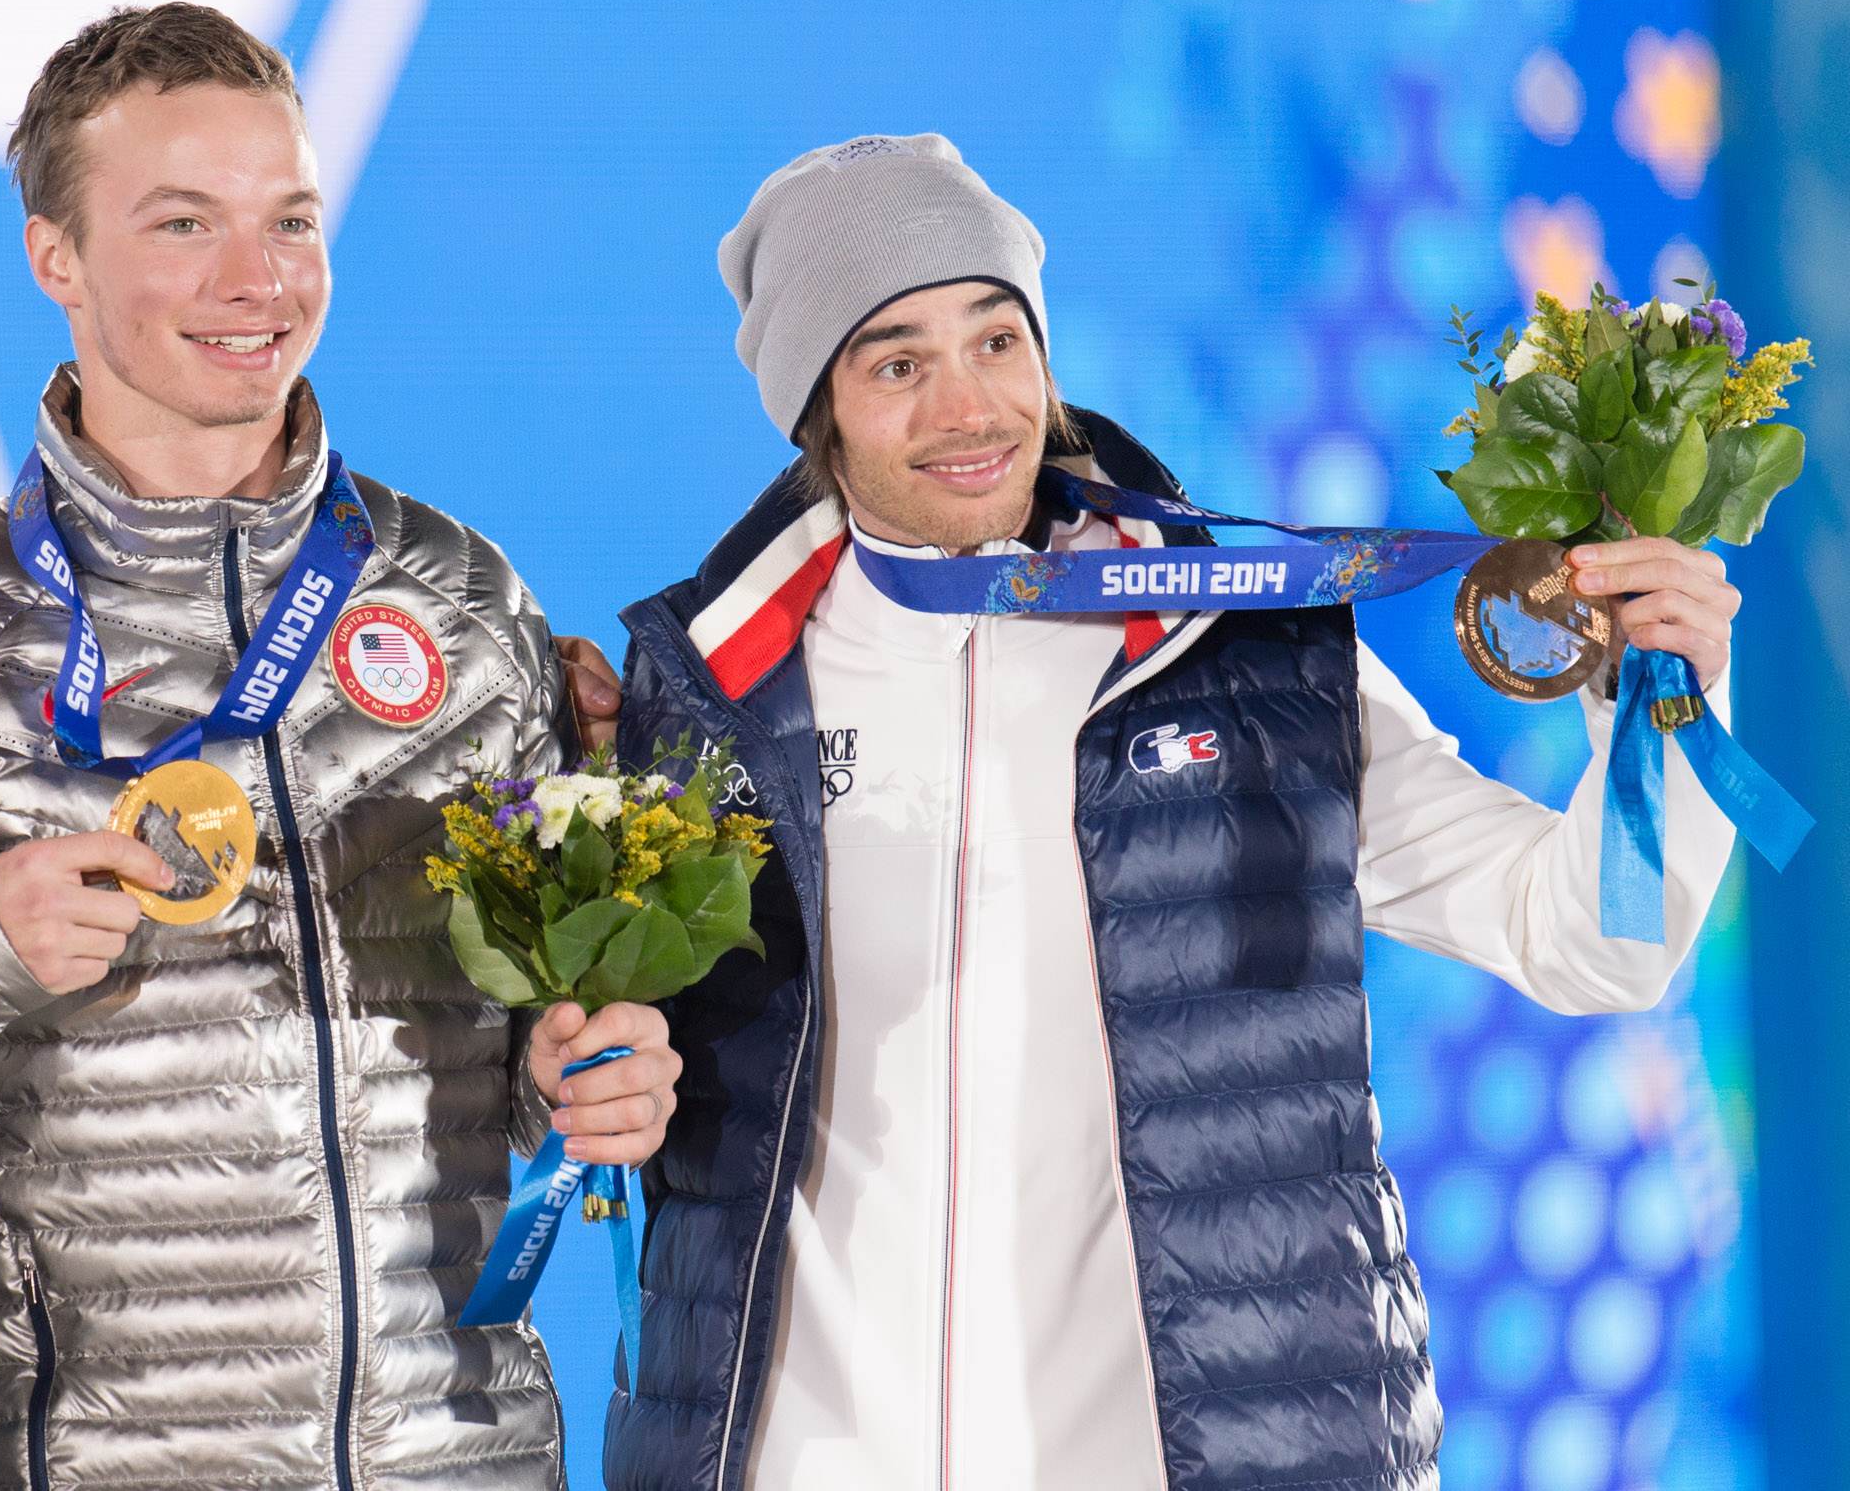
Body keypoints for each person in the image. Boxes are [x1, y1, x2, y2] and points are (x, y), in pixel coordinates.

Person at [602, 135, 1742, 1491]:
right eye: (898, 364)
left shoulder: (1242, 647)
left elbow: (1596, 942)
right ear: (817, 413)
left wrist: (1656, 720)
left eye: (999, 343)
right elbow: (612, 1069)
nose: (971, 408)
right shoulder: (711, 687)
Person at [0, 3, 661, 1491]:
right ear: (55, 256)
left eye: (289, 221)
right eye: (183, 224)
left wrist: (590, 1074)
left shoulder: (461, 602)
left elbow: (514, 1055)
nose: (257, 282)